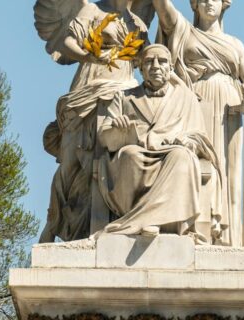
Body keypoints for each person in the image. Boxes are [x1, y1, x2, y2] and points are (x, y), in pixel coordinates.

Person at [34, 0, 154, 242]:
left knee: (113, 159)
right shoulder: (92, 10)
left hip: (124, 91)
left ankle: (109, 221)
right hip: (90, 87)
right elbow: (68, 42)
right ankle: (55, 222)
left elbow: (149, 58)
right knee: (71, 162)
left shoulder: (137, 22)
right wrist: (89, 56)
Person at [151, 0, 244, 246]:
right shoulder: (184, 31)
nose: (209, 3)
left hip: (229, 108)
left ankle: (228, 237)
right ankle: (195, 226)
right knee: (200, 164)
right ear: (194, 5)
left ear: (224, 5)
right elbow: (164, 10)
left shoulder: (235, 44)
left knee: (229, 170)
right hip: (195, 103)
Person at [95, 44, 224, 240]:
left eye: (162, 61)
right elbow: (104, 137)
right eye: (149, 62)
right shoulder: (124, 97)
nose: (155, 66)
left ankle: (150, 220)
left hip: (170, 153)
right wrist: (116, 128)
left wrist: (187, 141)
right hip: (136, 153)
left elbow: (199, 137)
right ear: (140, 68)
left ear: (170, 67)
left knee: (182, 156)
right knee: (130, 155)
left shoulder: (186, 98)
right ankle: (142, 218)